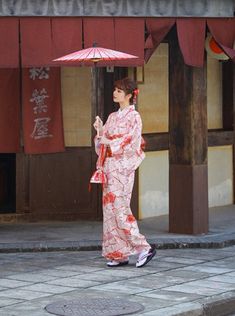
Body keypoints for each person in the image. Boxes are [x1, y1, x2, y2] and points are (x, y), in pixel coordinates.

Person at [92, 77, 156, 268]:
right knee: (110, 211)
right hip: (110, 167)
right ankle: (118, 253)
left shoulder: (134, 117)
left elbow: (132, 141)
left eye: (119, 91)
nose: (115, 93)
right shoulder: (112, 117)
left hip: (123, 168)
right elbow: (100, 146)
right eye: (115, 89)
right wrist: (100, 131)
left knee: (120, 210)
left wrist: (110, 142)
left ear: (129, 95)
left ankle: (144, 247)